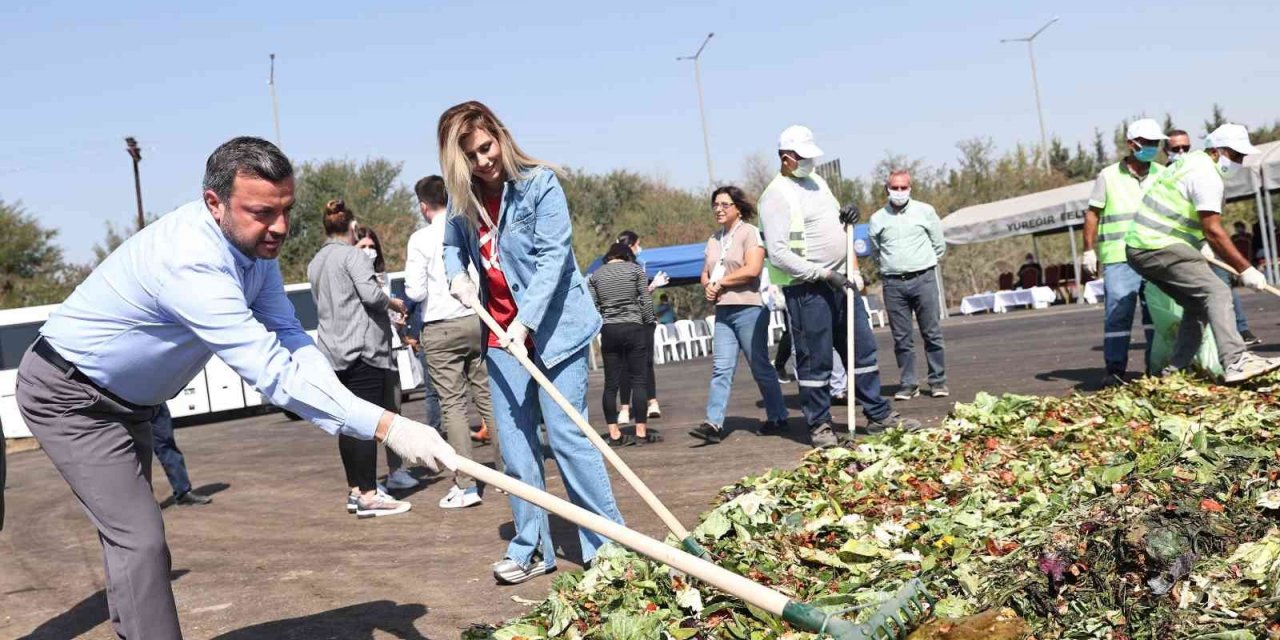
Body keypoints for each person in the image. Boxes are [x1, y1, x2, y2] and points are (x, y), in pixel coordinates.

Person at [16, 137, 454, 638]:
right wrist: (388, 425)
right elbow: (271, 370)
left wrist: (352, 405)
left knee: (130, 540)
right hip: (71, 398)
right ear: (214, 202)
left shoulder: (254, 249)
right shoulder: (190, 260)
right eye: (263, 213)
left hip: (131, 404)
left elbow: (287, 334)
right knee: (139, 539)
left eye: (287, 209)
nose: (280, 227)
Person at [438, 101, 623, 584]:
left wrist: (525, 323)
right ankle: (532, 547)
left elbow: (553, 259)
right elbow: (451, 246)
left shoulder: (540, 184)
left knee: (565, 436)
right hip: (500, 336)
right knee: (517, 449)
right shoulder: (462, 200)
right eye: (471, 156)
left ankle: (608, 549)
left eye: (487, 147)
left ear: (500, 137)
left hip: (555, 329)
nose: (483, 161)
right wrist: (457, 275)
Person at [759, 125, 918, 447]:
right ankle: (820, 425)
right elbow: (778, 253)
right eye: (803, 157)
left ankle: (878, 414)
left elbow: (833, 222)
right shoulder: (775, 195)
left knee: (862, 349)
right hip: (807, 288)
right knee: (815, 359)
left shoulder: (818, 181)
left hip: (841, 281)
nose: (810, 162)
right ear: (787, 158)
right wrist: (821, 274)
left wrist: (847, 216)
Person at [1124, 123, 1280, 383]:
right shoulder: (1206, 175)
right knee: (1216, 291)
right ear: (1216, 151)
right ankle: (1236, 360)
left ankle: (1173, 372)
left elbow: (1186, 214)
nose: (1240, 161)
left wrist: (1200, 243)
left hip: (1142, 247)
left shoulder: (1191, 163)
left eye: (1242, 156)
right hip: (1157, 244)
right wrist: (1246, 269)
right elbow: (1213, 230)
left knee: (1197, 305)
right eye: (1236, 155)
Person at [309, 200, 414, 518]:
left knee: (346, 424)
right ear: (352, 227)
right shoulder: (352, 256)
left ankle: (355, 490)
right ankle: (370, 495)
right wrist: (394, 303)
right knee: (366, 421)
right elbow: (370, 295)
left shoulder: (316, 262)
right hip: (363, 350)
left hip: (332, 352)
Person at [405, 175, 501, 509]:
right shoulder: (468, 225)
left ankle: (466, 485)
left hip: (440, 326)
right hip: (477, 319)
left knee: (453, 406)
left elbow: (415, 291)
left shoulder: (420, 239)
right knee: (489, 399)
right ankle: (511, 475)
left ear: (423, 205)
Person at [689, 186, 789, 444]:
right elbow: (705, 272)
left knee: (759, 365)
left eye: (725, 204)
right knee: (721, 368)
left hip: (749, 308)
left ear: (738, 208)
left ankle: (778, 415)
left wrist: (720, 283)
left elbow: (752, 269)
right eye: (715, 205)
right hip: (723, 310)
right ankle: (713, 423)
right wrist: (708, 285)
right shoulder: (713, 239)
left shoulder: (749, 232)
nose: (719, 209)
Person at [1082, 118, 1166, 387]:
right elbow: (1092, 214)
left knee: (1157, 314)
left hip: (1154, 255)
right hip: (1119, 258)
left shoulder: (1163, 174)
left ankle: (1157, 368)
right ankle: (1115, 370)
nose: (1152, 147)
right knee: (1118, 314)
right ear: (1132, 144)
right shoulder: (1108, 176)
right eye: (1148, 143)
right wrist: (1088, 250)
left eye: (1155, 143)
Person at [352, 223, 421, 491]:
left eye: (372, 246)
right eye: (363, 246)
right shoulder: (351, 275)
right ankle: (365, 482)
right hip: (365, 351)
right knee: (364, 416)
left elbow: (387, 311)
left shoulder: (382, 276)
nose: (369, 251)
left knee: (394, 410)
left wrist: (398, 323)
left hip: (389, 348)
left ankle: (396, 470)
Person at [869, 170, 948, 400]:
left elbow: (939, 245)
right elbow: (875, 251)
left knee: (931, 333)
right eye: (895, 187)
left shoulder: (926, 211)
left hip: (923, 279)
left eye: (903, 187)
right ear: (887, 189)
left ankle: (938, 381)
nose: (899, 191)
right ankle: (909, 383)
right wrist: (892, 265)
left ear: (910, 188)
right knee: (901, 338)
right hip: (893, 283)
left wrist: (922, 263)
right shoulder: (877, 218)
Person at [589, 241, 659, 446]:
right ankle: (641, 433)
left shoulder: (596, 276)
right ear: (628, 256)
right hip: (634, 328)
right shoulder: (635, 270)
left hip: (609, 330)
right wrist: (649, 321)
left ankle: (614, 434)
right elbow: (645, 300)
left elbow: (593, 306)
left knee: (611, 384)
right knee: (639, 380)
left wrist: (604, 322)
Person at [613, 230, 666, 424]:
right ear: (631, 246)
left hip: (643, 322)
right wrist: (653, 286)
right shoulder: (615, 269)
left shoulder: (638, 266)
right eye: (637, 245)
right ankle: (625, 408)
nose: (639, 248)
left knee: (645, 362)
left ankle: (651, 402)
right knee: (626, 365)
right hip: (626, 321)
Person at [151, 405, 212, 506]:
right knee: (131, 454)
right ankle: (135, 504)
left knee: (166, 445)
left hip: (154, 402)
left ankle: (183, 492)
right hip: (127, 404)